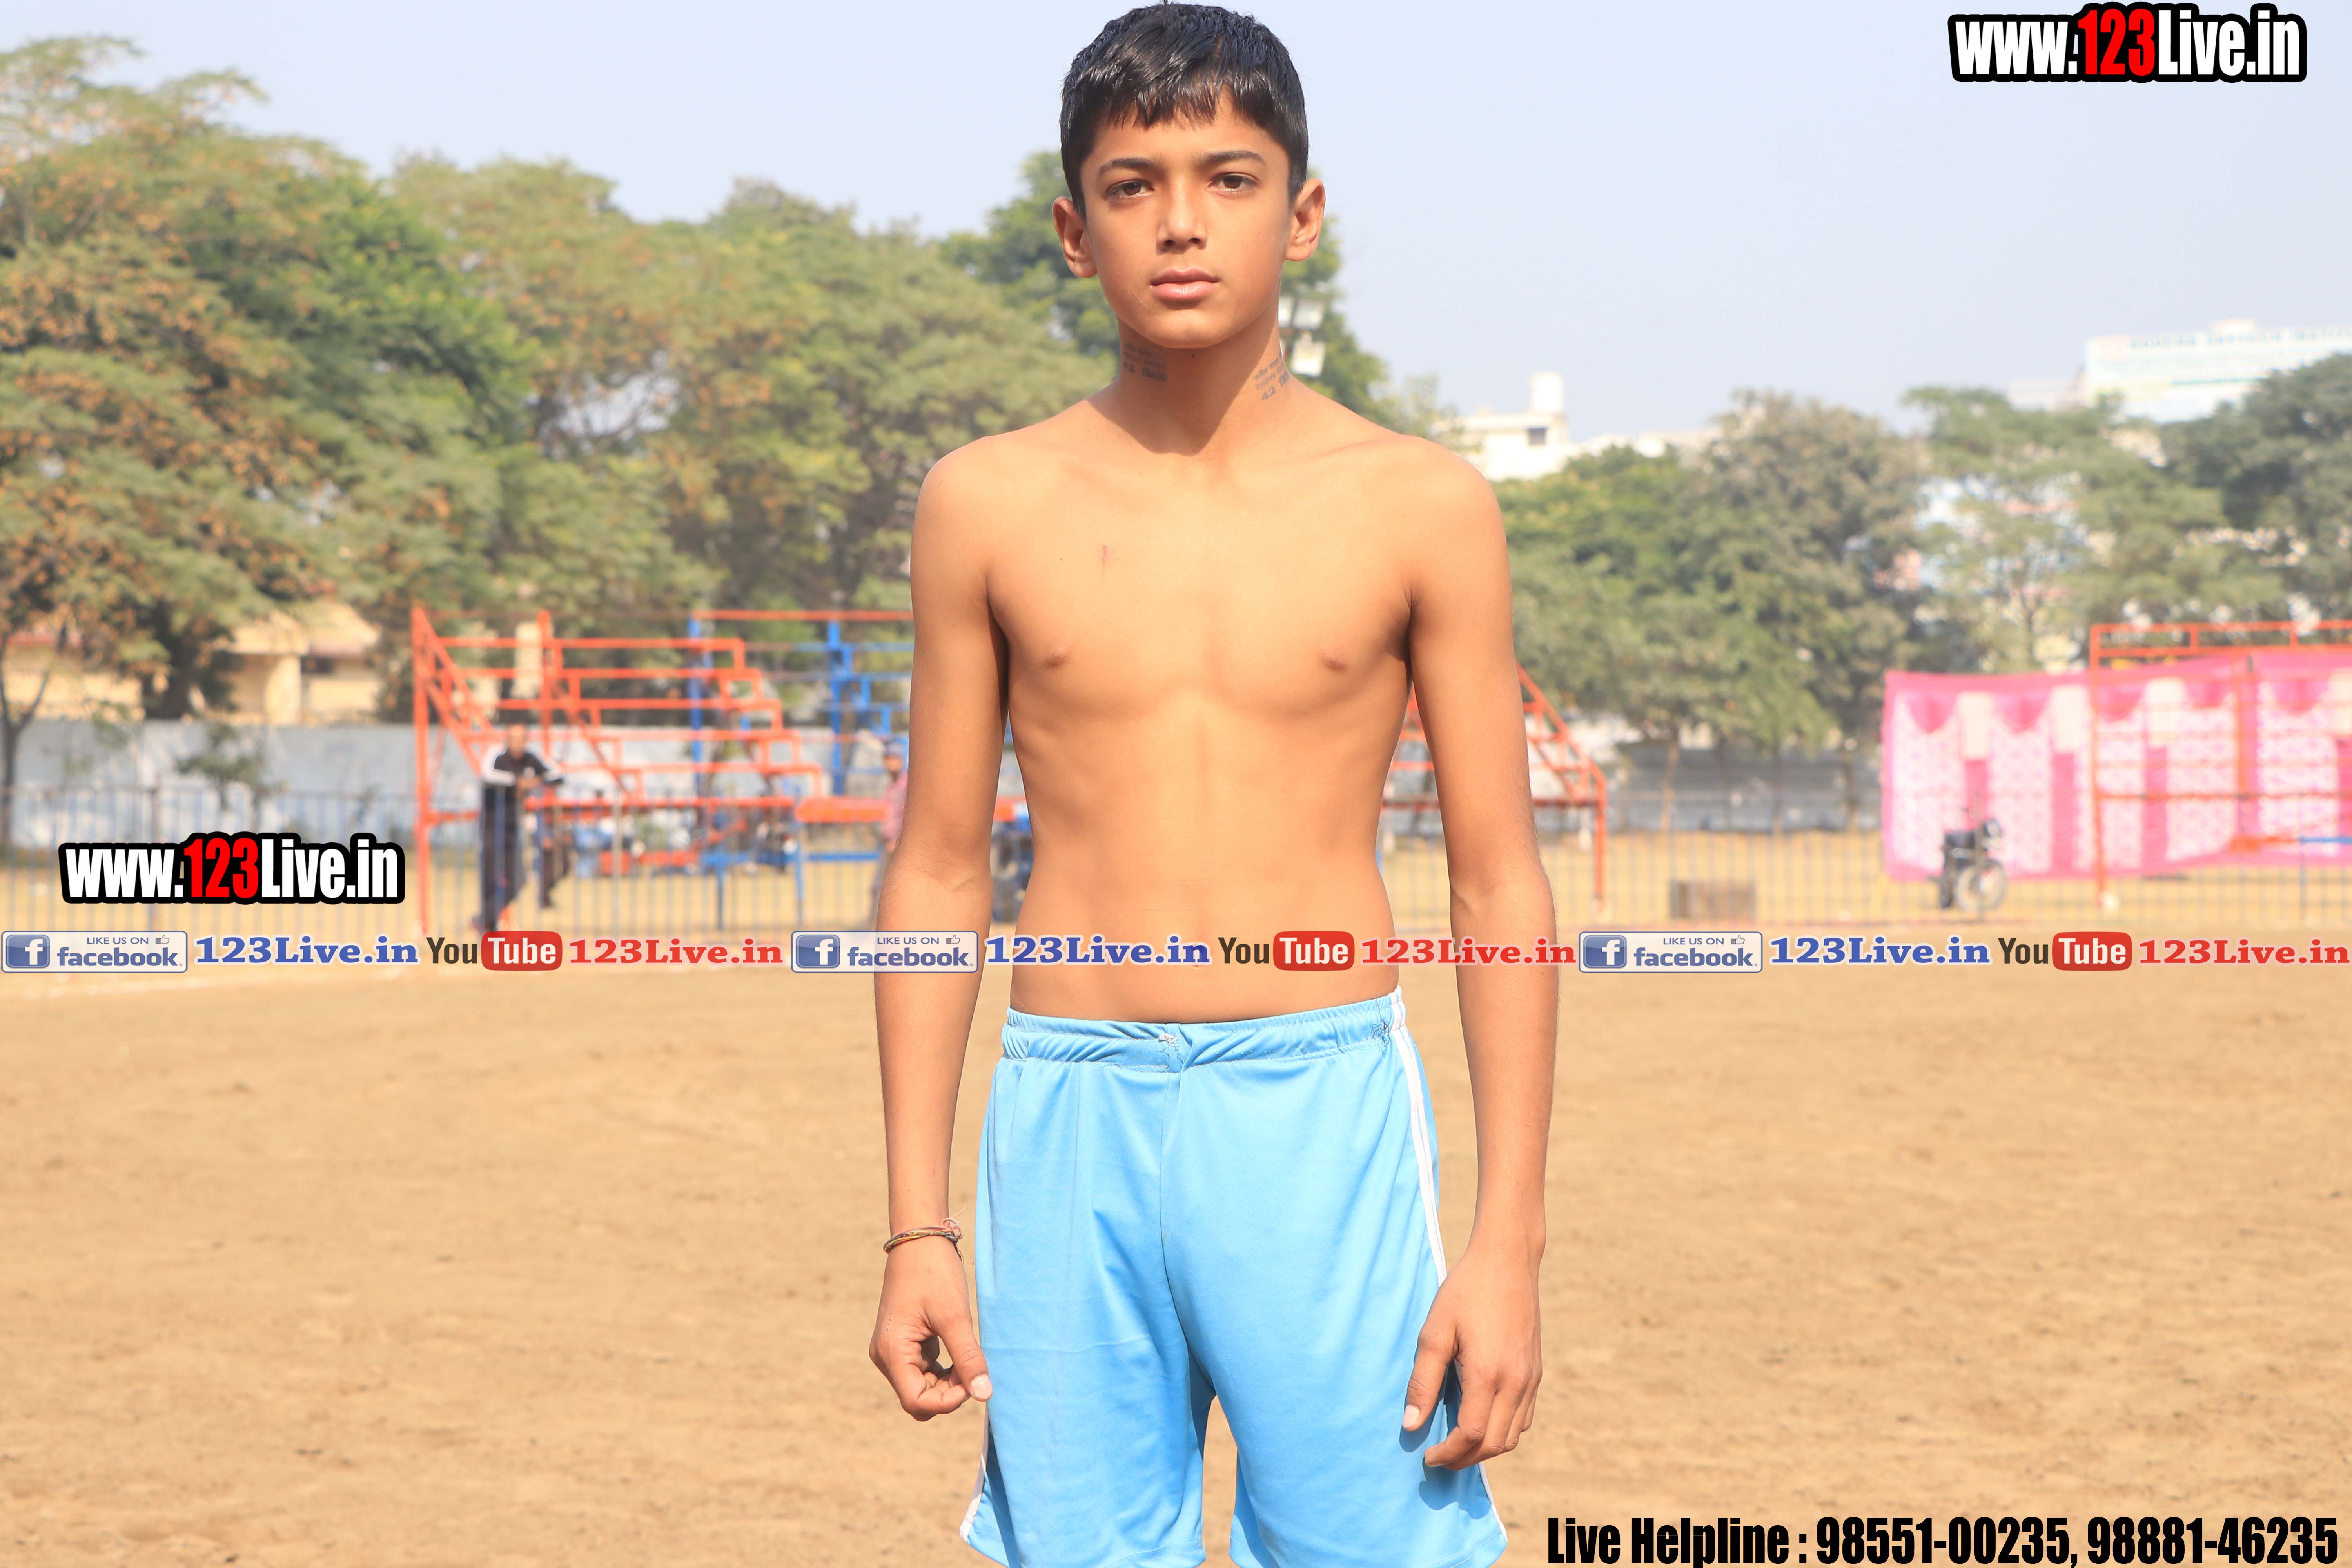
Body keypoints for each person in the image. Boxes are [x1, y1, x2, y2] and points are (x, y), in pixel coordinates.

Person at [869, 9, 1557, 1568]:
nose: (1181, 222)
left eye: (1229, 179)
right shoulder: (985, 502)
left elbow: (1500, 882)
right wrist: (919, 1224)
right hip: (1068, 1109)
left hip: (1317, 1106)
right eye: (1133, 185)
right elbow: (938, 869)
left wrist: (1508, 1242)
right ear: (1074, 230)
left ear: (1301, 214)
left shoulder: (1422, 505)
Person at [476, 722, 563, 933]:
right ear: (507, 740)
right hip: (491, 825)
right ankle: (488, 925)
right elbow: (486, 775)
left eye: (521, 740)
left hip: (513, 827)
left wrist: (534, 782)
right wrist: (517, 782)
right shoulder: (496, 756)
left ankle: (485, 918)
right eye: (513, 739)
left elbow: (558, 775)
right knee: (490, 876)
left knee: (518, 879)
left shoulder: (532, 757)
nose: (517, 744)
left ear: (526, 741)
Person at [867, 742, 908, 929]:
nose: (890, 763)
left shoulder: (905, 785)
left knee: (883, 887)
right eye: (888, 759)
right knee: (880, 887)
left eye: (894, 759)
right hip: (889, 842)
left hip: (898, 844)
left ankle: (877, 929)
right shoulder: (891, 786)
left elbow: (906, 815)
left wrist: (897, 840)